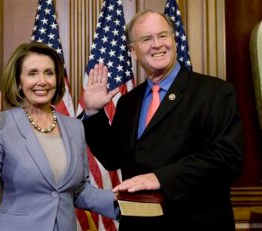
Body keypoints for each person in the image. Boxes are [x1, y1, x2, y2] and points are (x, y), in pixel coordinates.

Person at [82, 9, 243, 231]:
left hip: (195, 225)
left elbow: (227, 159)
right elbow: (113, 158)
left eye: (163, 36)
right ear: (134, 52)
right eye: (146, 39)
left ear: (175, 42)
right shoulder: (129, 101)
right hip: (139, 225)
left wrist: (160, 178)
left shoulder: (215, 92)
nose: (157, 44)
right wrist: (92, 112)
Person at [0, 42, 118, 231]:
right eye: (32, 73)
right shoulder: (1, 125)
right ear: (19, 82)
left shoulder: (75, 126)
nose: (42, 81)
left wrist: (125, 204)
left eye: (49, 73)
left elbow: (78, 191)